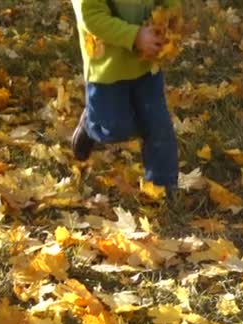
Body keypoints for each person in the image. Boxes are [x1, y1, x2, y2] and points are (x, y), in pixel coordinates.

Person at [70, 0, 180, 194]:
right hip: (109, 68)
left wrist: (167, 18)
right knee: (114, 128)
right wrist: (135, 36)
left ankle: (162, 185)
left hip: (146, 65)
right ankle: (91, 123)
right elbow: (91, 16)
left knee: (157, 124)